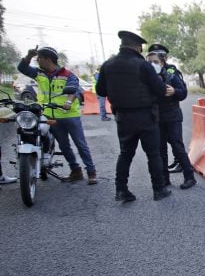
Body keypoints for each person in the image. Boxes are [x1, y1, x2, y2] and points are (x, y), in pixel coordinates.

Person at [95, 31, 172, 202]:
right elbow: (160, 89)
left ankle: (121, 190)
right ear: (138, 47)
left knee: (125, 154)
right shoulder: (142, 65)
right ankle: (159, 190)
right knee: (153, 154)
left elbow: (100, 91)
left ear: (122, 45)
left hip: (123, 117)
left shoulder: (108, 65)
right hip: (146, 116)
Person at [17, 46, 98, 184]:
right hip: (50, 116)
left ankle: (91, 173)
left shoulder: (68, 74)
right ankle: (76, 171)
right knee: (64, 146)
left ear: (48, 59)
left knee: (80, 144)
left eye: (39, 58)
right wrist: (28, 56)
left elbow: (73, 90)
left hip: (69, 115)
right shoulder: (39, 73)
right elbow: (22, 68)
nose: (38, 60)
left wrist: (68, 101)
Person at [146, 44, 196, 190]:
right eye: (149, 62)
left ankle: (189, 177)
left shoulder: (172, 74)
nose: (152, 65)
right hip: (157, 118)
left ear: (162, 61)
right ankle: (165, 179)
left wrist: (174, 91)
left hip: (172, 116)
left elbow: (183, 93)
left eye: (155, 62)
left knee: (177, 147)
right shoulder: (147, 77)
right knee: (160, 150)